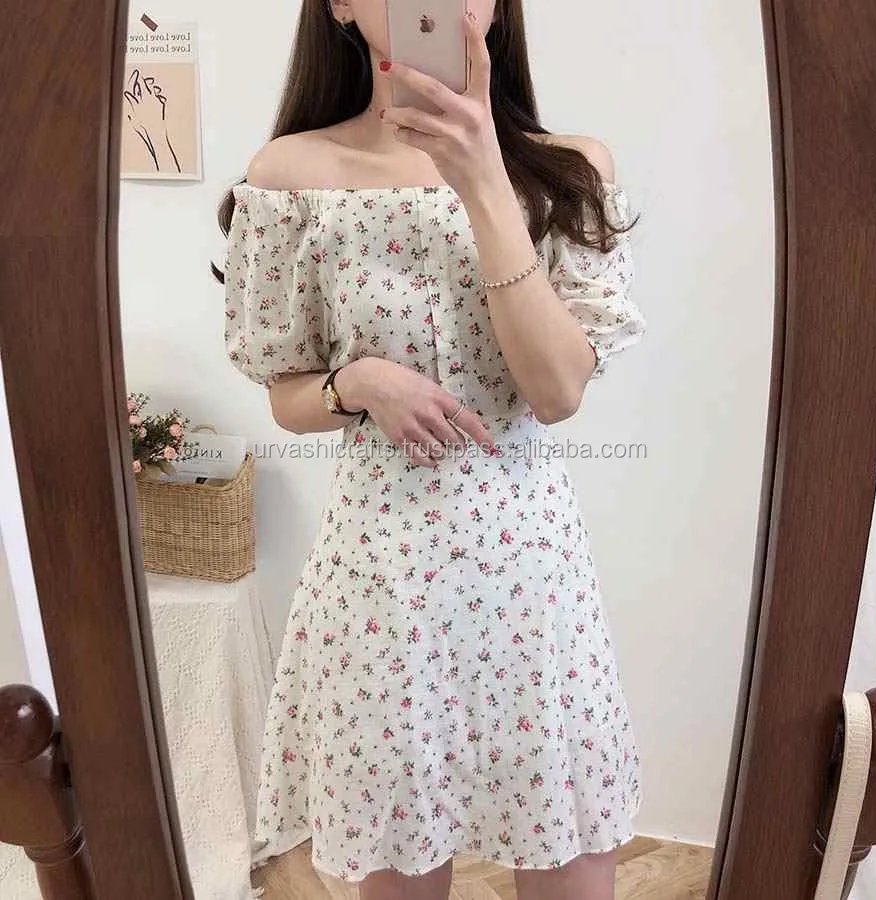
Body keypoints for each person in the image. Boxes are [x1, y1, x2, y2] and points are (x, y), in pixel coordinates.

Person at [217, 1, 647, 897]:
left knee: (571, 857)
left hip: (531, 580)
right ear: (340, 4)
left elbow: (556, 392)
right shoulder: (291, 176)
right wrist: (357, 383)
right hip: (382, 587)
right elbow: (286, 394)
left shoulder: (568, 169)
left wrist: (484, 176)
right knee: (398, 861)